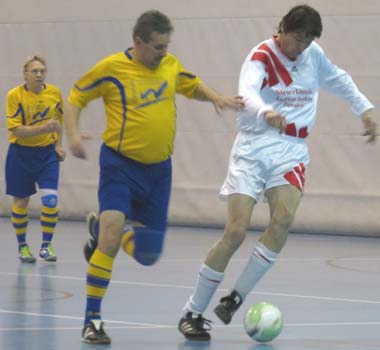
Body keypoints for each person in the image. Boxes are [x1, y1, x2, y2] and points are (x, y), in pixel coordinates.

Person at [178, 4, 377, 341]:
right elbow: (248, 92)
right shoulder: (261, 56)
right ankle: (193, 311)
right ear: (282, 28)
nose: (301, 48)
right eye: (297, 39)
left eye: (308, 41)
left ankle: (234, 297)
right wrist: (266, 111)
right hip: (254, 147)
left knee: (282, 219)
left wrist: (366, 109)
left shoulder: (313, 55)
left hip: (291, 151)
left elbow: (339, 80)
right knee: (236, 231)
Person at [64, 10, 244, 345]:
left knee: (148, 256)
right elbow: (76, 97)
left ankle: (98, 226)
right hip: (120, 166)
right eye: (158, 46)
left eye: (166, 46)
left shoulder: (169, 65)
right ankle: (93, 321)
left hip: (159, 172)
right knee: (110, 239)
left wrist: (217, 97)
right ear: (138, 42)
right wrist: (72, 134)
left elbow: (191, 84)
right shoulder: (111, 69)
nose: (163, 52)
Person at [5, 55, 65, 264]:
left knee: (50, 200)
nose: (39, 75)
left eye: (42, 71)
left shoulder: (54, 93)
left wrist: (58, 144)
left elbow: (58, 122)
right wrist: (43, 128)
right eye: (34, 71)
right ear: (25, 74)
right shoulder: (15, 96)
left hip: (46, 154)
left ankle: (46, 245)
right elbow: (17, 130)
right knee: (21, 202)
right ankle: (23, 246)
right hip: (21, 154)